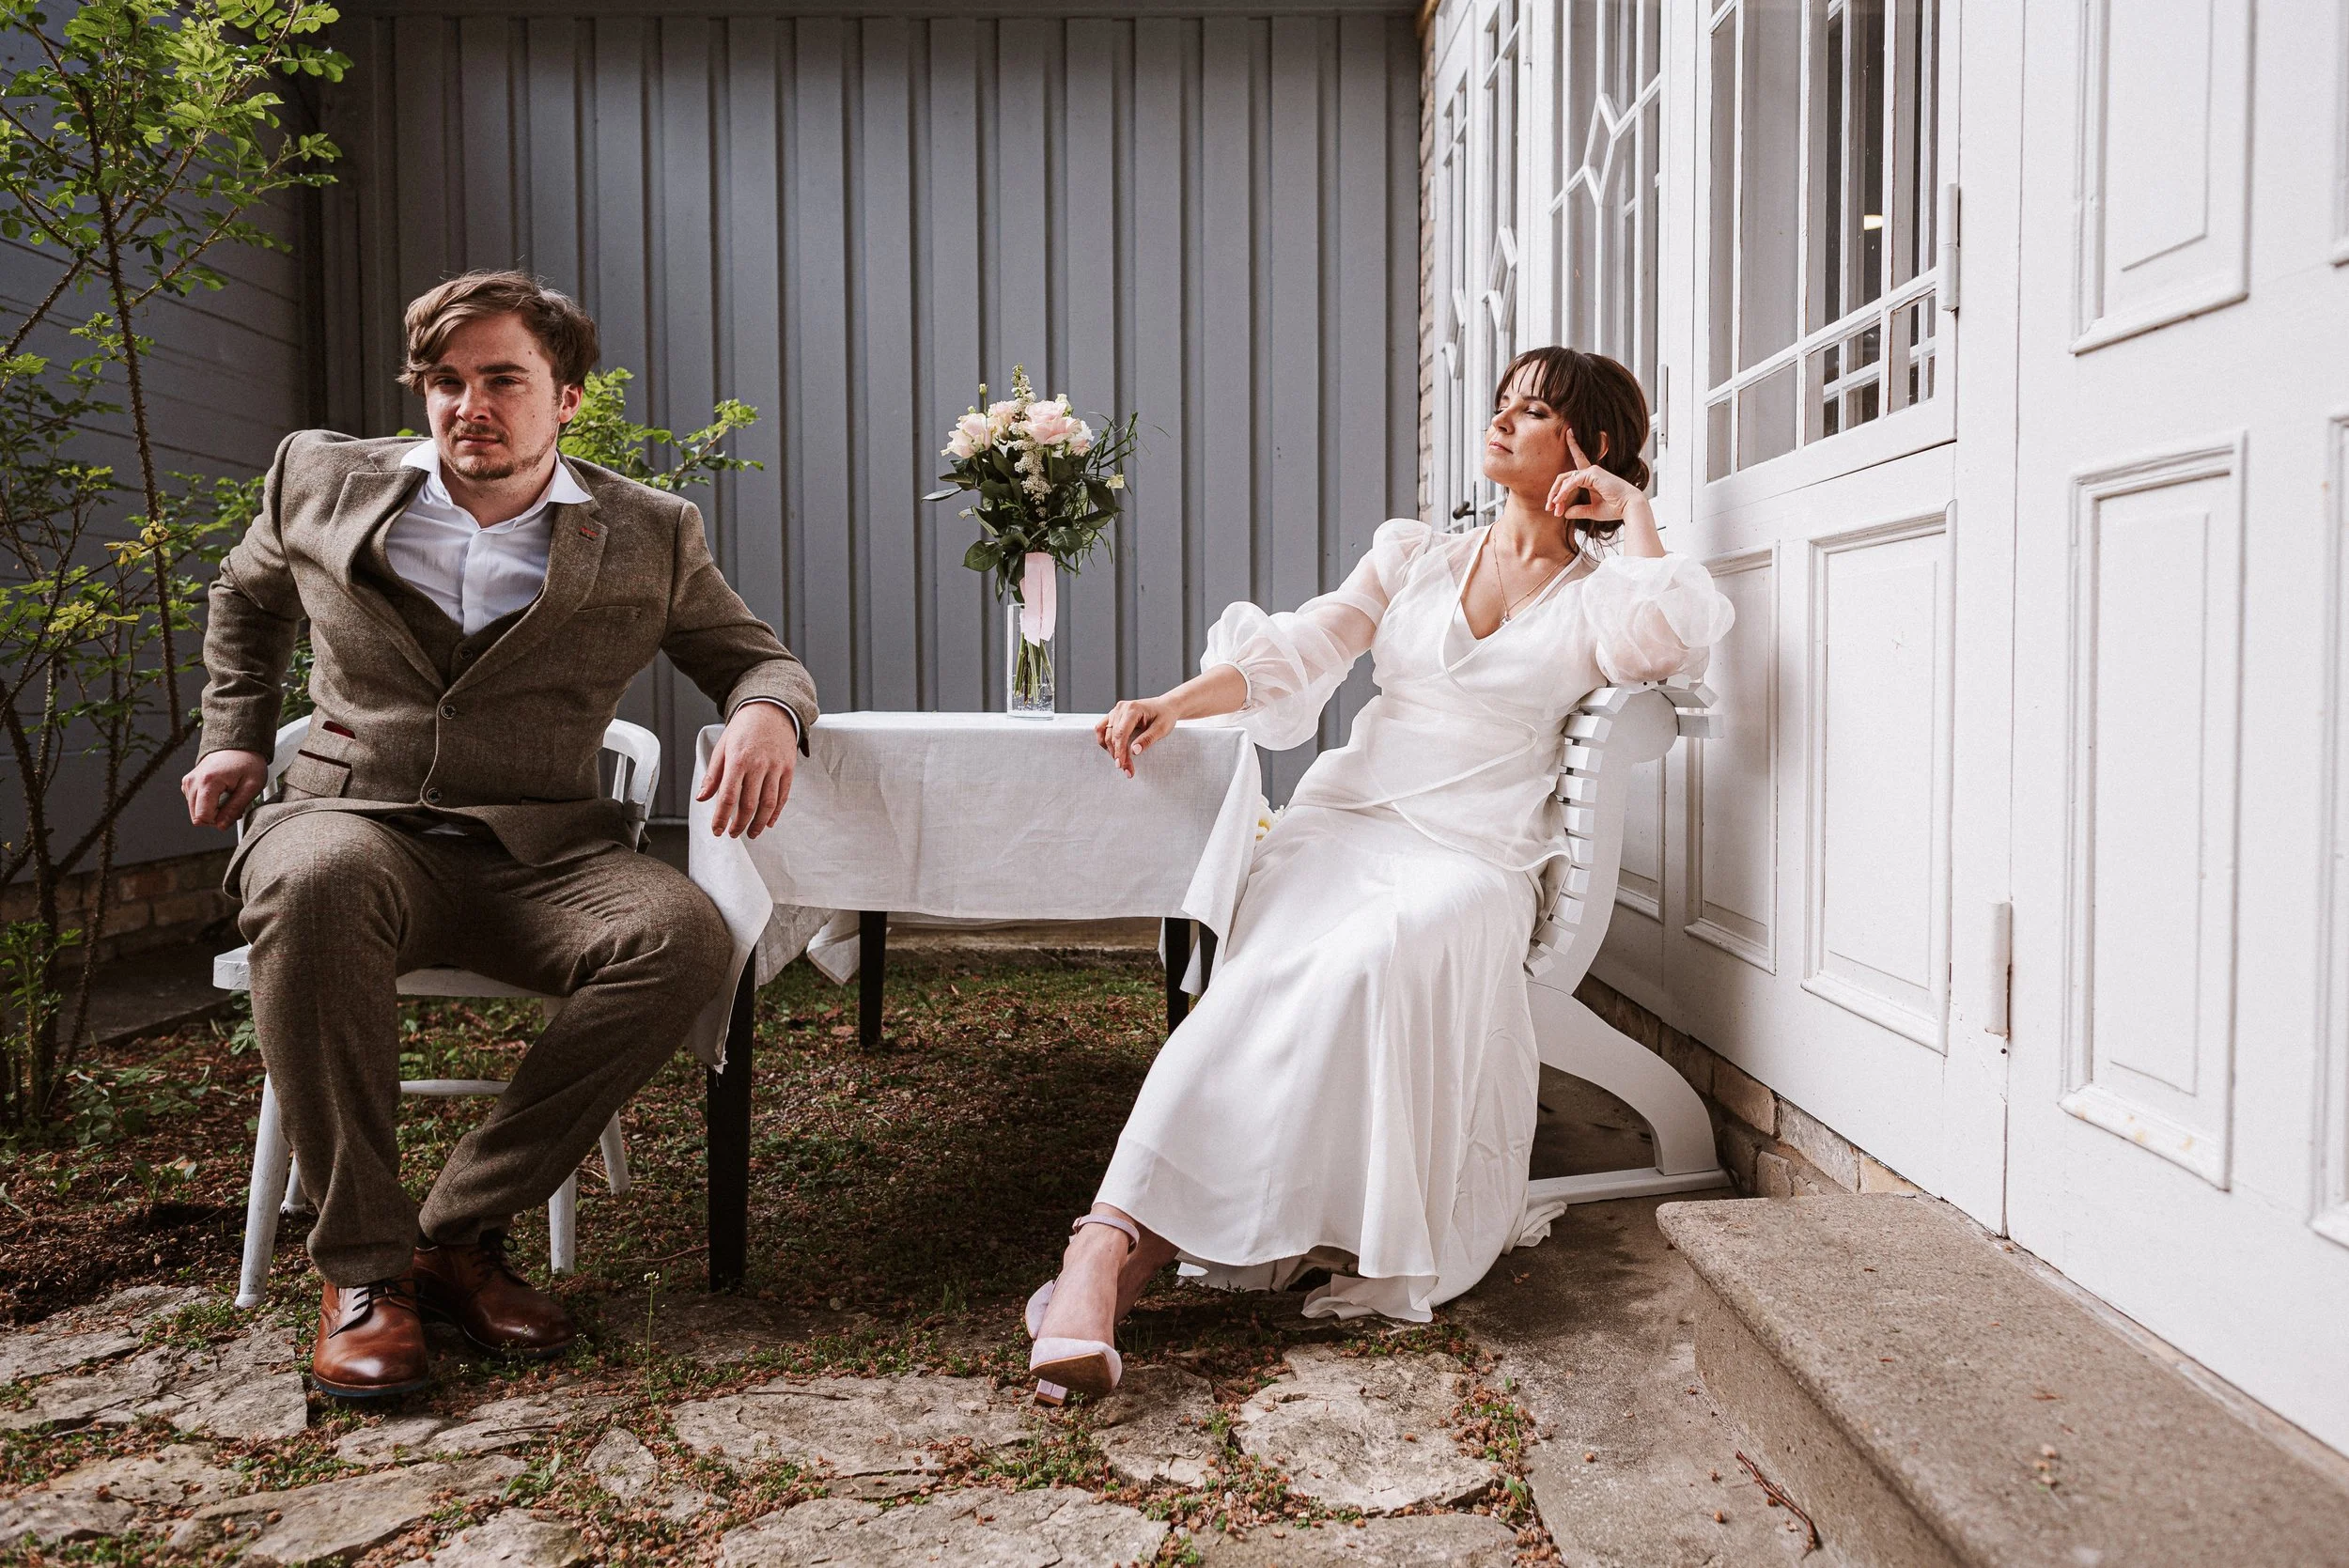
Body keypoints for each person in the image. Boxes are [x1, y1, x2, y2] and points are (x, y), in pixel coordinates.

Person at [1026, 347, 1735, 1403]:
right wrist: (1175, 702)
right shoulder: (1417, 556)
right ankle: (1107, 1242)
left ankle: (1118, 1262)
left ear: (1585, 448)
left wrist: (1628, 509)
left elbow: (1673, 638)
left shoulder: (1601, 599)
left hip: (1471, 857)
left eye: (1532, 411)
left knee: (1374, 955)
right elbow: (1305, 648)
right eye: (1501, 402)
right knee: (1272, 977)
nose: (1499, 421)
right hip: (1347, 825)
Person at [180, 271, 817, 1399]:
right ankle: (363, 1275)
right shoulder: (322, 478)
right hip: (349, 818)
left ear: (565, 397)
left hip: (546, 855)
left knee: (683, 937)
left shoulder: (648, 532)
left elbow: (754, 657)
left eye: (501, 380)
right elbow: (245, 595)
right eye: (444, 380)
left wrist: (767, 713)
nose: (468, 404)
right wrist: (233, 735)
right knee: (316, 881)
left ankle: (451, 1233)